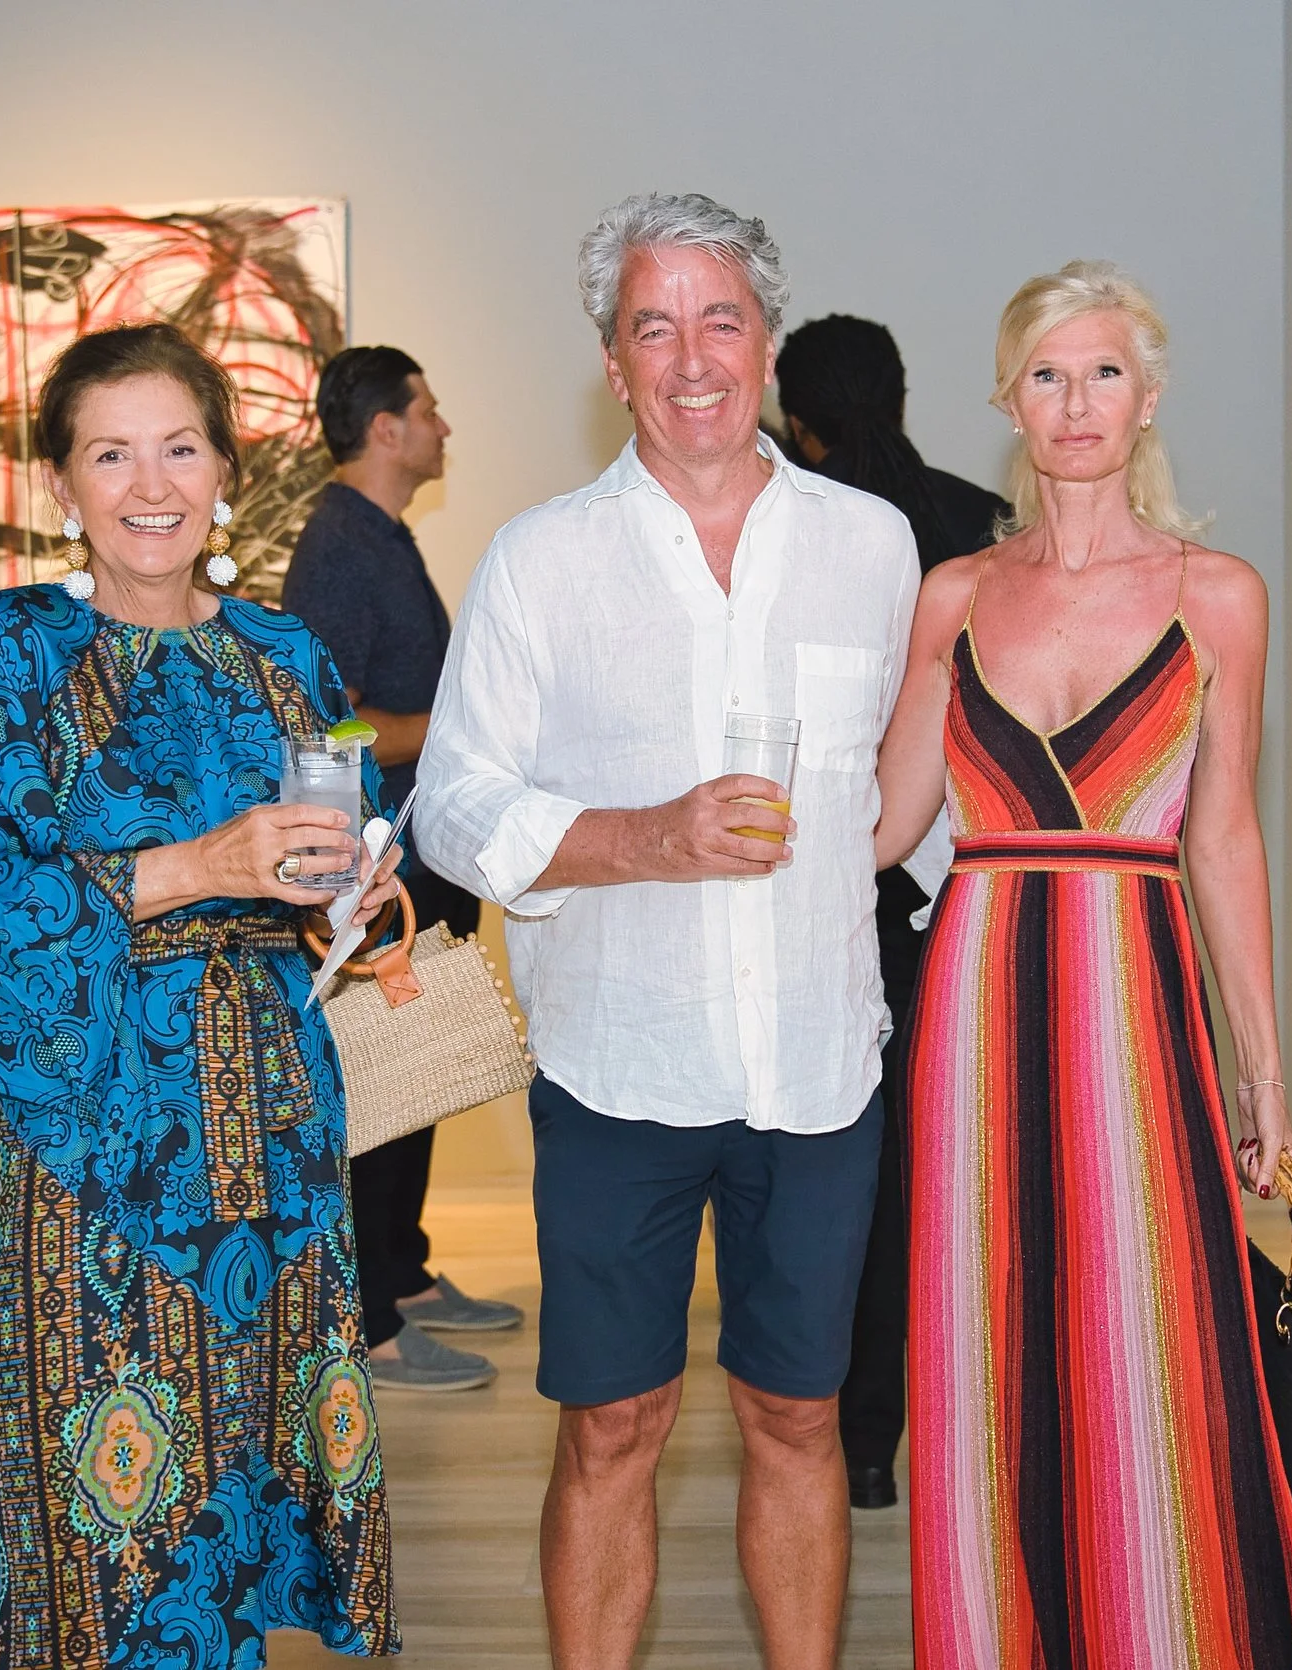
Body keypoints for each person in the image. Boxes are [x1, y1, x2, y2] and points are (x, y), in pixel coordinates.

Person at [0, 322, 404, 1665]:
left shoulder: (287, 652)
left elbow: (333, 832)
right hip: (85, 1127)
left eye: (180, 447)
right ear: (61, 483)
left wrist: (352, 891)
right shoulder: (13, 648)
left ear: (225, 471)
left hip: (270, 1116)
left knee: (246, 1462)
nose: (151, 485)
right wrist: (204, 863)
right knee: (104, 1490)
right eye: (111, 454)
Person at [415, 193, 917, 1670]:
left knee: (800, 1413)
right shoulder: (539, 559)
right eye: (654, 327)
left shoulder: (873, 547)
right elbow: (453, 804)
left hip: (817, 1065)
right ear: (612, 360)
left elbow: (922, 788)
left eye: (720, 320)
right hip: (616, 1064)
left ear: (765, 340)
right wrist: (645, 837)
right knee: (614, 1423)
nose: (692, 357)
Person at [873, 262, 1292, 1667]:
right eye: (1049, 375)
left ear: (1150, 396)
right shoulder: (952, 594)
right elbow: (883, 825)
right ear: (1009, 397)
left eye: (1105, 373)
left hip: (1138, 1002)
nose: (1077, 404)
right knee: (983, 1339)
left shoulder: (1218, 595)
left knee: (1158, 1333)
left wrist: (1265, 1079)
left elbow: (1224, 837)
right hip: (975, 1009)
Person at [772, 313, 1007, 1513]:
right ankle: (966, 1431)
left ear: (794, 419)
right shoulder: (983, 525)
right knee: (952, 1173)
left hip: (824, 882)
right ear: (906, 393)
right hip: (963, 889)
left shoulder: (794, 533)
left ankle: (850, 1438)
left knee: (830, 1174)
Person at [282, 345, 523, 1394]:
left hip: (418, 854)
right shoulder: (339, 546)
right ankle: (370, 1318)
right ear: (384, 428)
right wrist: (453, 728)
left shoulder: (375, 534)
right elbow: (324, 724)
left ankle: (403, 1273)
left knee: (415, 1070)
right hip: (380, 870)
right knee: (380, 1080)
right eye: (427, 408)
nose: (443, 426)